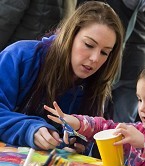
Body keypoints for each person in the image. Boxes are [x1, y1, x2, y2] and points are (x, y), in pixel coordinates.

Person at [0, 1, 124, 151]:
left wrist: (82, 147)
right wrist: (29, 129)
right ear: (70, 35)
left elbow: (96, 138)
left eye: (104, 52)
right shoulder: (20, 55)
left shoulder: (98, 86)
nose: (95, 58)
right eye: (89, 45)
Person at [45, 59, 145, 166]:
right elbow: (104, 127)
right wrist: (77, 122)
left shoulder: (142, 138)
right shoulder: (138, 131)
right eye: (139, 99)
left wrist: (144, 143)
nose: (142, 108)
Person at [76, 0, 145, 123]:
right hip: (139, 54)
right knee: (124, 123)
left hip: (106, 51)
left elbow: (84, 10)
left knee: (91, 116)